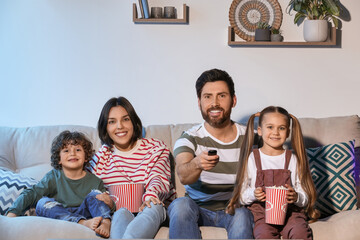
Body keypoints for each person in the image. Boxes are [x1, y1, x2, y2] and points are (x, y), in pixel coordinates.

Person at [168, 68, 254, 239]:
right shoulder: (189, 138)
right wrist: (197, 164)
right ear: (199, 102)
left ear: (233, 100)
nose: (215, 103)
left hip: (233, 208)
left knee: (243, 214)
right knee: (180, 205)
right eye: (208, 97)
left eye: (222, 96)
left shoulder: (250, 137)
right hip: (196, 208)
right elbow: (183, 175)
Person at [227, 106, 319, 239]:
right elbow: (241, 195)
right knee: (263, 234)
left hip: (291, 214)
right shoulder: (253, 158)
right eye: (270, 127)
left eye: (281, 128)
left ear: (287, 132)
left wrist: (296, 197)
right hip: (262, 215)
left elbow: (304, 193)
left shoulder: (292, 159)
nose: (275, 132)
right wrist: (254, 194)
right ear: (259, 130)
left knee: (301, 232)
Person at [89, 96, 175, 239]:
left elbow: (158, 178)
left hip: (152, 211)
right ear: (105, 127)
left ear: (134, 122)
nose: (120, 126)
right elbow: (83, 186)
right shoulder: (101, 157)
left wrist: (151, 195)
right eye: (112, 122)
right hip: (119, 214)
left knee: (153, 205)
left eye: (126, 119)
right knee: (120, 213)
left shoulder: (155, 148)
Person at [6, 131, 112, 238]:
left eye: (78, 149)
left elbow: (104, 205)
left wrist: (110, 204)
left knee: (96, 195)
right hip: (61, 214)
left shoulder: (95, 181)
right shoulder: (54, 177)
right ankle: (82, 223)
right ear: (59, 159)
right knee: (42, 203)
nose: (72, 153)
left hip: (86, 213)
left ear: (86, 157)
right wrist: (13, 212)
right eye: (66, 150)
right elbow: (32, 193)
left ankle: (105, 222)